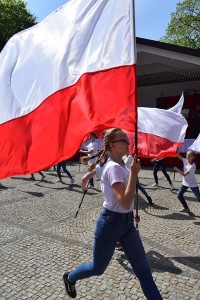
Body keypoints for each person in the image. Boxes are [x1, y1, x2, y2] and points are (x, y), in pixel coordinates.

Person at [62, 128, 162, 299]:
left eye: (128, 140)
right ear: (113, 145)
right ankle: (70, 278)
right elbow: (123, 201)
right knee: (97, 269)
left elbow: (99, 173)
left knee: (144, 273)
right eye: (124, 140)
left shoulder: (121, 162)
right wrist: (134, 174)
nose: (129, 143)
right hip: (110, 223)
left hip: (127, 224)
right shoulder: (113, 168)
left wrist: (85, 178)